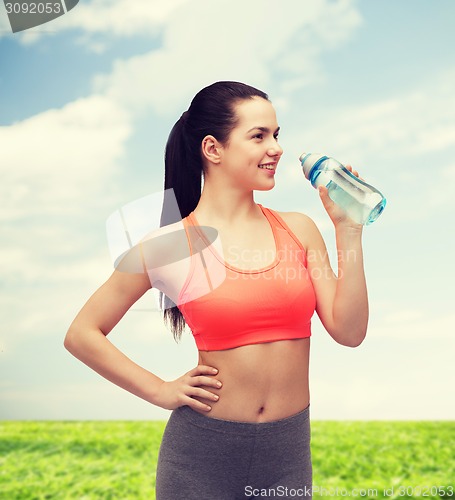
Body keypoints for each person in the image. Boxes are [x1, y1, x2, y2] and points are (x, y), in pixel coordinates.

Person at [64, 81, 368, 499]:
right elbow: (82, 333)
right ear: (213, 148)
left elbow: (350, 332)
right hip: (200, 460)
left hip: (287, 458)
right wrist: (160, 390)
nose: (276, 148)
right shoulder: (169, 245)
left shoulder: (299, 229)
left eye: (276, 134)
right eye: (258, 135)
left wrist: (348, 230)